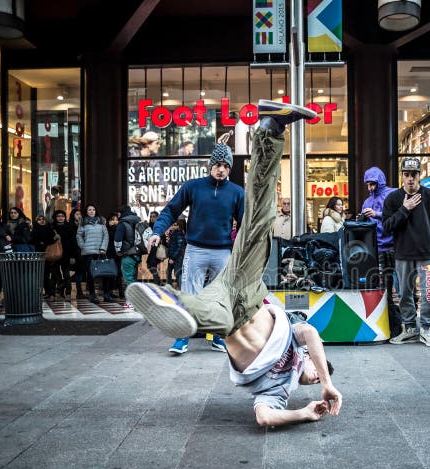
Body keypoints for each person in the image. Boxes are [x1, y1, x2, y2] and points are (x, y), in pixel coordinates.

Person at [127, 100, 341, 427]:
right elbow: (310, 333)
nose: (311, 376)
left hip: (229, 286)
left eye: (226, 166)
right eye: (316, 369)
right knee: (262, 219)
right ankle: (271, 130)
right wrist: (327, 383)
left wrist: (304, 412)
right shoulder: (194, 187)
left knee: (208, 311)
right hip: (232, 274)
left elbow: (265, 416)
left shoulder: (280, 388)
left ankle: (172, 303)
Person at [147, 140, 245, 355]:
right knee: (190, 295)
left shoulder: (237, 192)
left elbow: (246, 224)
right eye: (218, 164)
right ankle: (182, 338)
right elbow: (171, 210)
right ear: (210, 165)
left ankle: (218, 337)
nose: (221, 169)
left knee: (221, 297)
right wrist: (157, 232)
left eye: (226, 166)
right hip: (196, 249)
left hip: (223, 252)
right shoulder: (193, 186)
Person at [383, 157, 430, 347]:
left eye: (414, 174)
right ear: (402, 176)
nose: (410, 179)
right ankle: (410, 328)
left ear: (420, 175)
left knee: (429, 294)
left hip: (427, 255)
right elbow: (387, 226)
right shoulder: (393, 199)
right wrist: (405, 209)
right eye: (406, 174)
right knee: (404, 294)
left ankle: (426, 329)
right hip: (403, 255)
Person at [360, 166, 401, 337]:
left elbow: (401, 215)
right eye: (368, 184)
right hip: (379, 249)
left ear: (380, 181)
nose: (370, 188)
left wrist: (377, 214)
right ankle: (391, 323)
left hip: (397, 248)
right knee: (384, 288)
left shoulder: (394, 194)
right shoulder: (367, 202)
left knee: (403, 287)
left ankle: (409, 322)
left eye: (373, 184)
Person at [76, 204, 109, 304]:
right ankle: (92, 295)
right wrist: (83, 246)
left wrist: (103, 248)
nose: (91, 211)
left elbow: (106, 236)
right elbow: (79, 236)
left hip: (100, 252)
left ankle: (106, 294)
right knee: (90, 275)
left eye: (93, 210)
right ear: (86, 212)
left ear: (96, 211)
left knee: (105, 274)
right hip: (88, 253)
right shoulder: (83, 223)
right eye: (89, 210)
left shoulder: (101, 222)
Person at [114, 204, 144, 309]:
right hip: (138, 253)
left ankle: (131, 301)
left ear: (120, 213)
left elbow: (118, 240)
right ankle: (137, 300)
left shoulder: (122, 223)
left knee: (128, 279)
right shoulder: (138, 221)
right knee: (134, 277)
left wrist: (118, 251)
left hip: (127, 254)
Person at [51, 210, 78, 301]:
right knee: (56, 275)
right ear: (55, 217)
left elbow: (73, 243)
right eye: (58, 216)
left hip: (67, 254)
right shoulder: (51, 227)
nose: (60, 218)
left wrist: (73, 256)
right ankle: (59, 292)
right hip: (54, 254)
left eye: (62, 216)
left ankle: (68, 293)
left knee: (66, 275)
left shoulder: (69, 227)